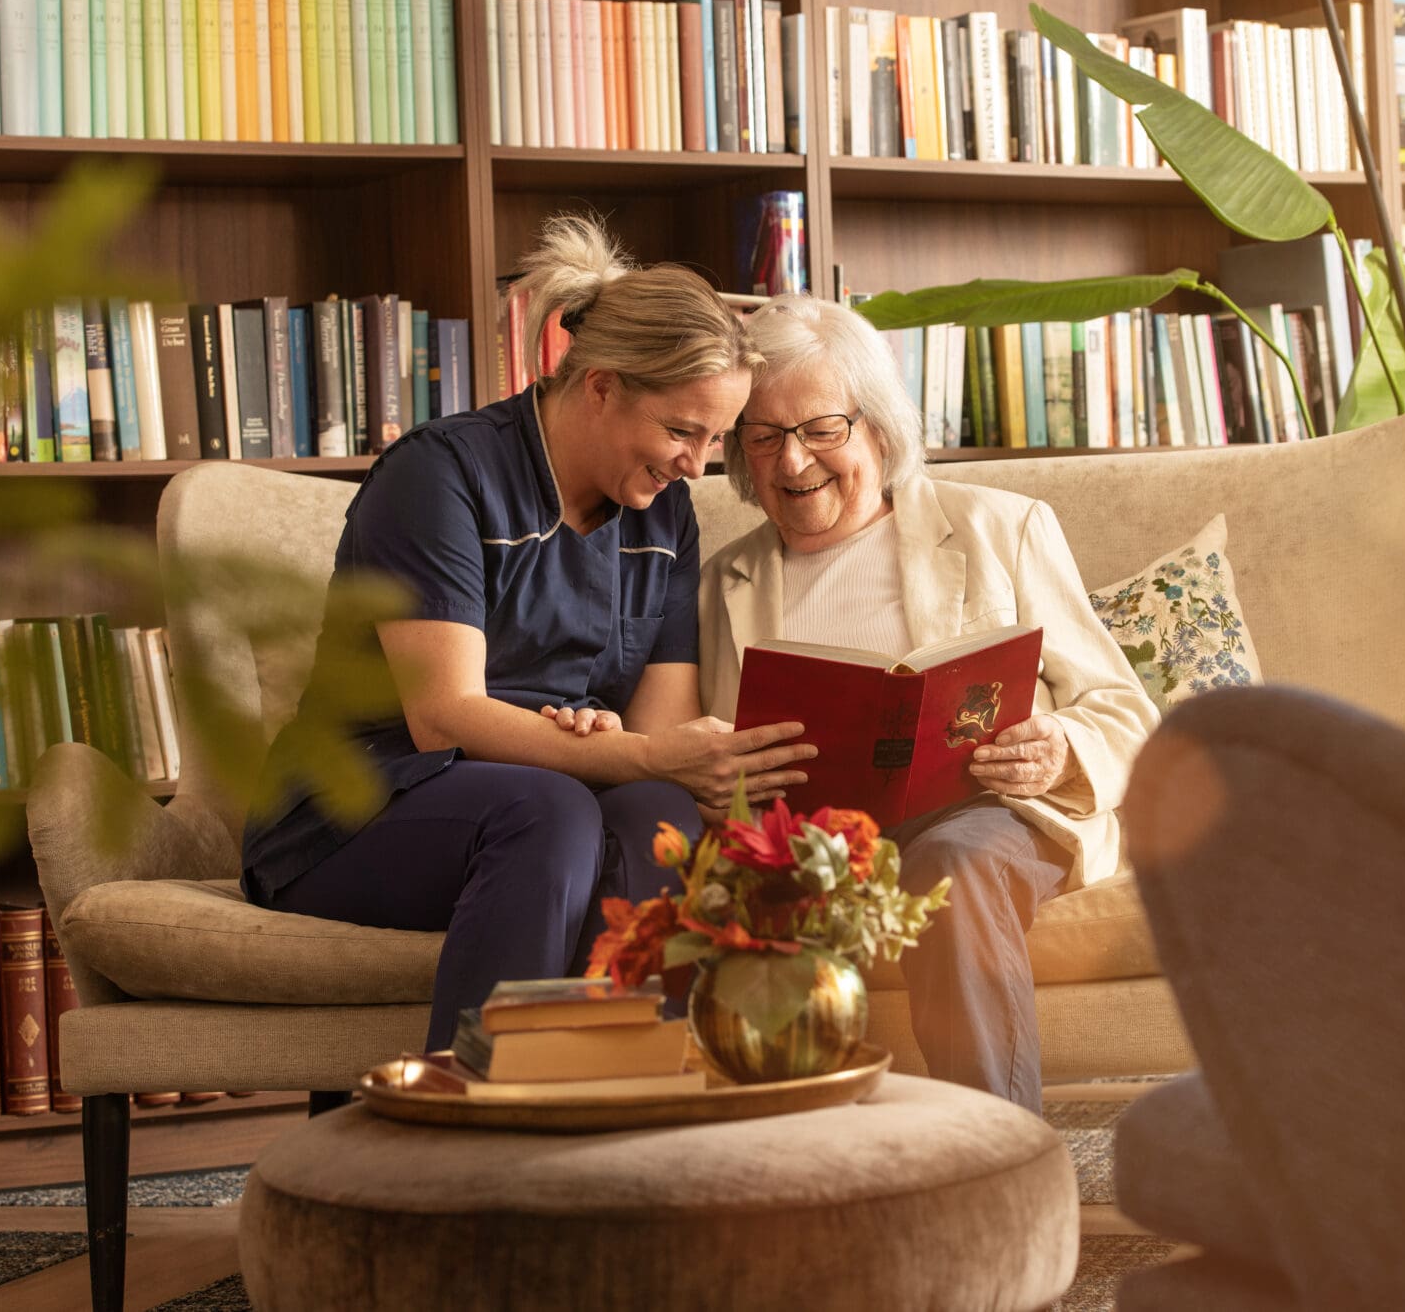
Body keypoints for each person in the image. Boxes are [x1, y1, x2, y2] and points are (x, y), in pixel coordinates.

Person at [242, 217, 817, 1051]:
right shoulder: (441, 476)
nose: (698, 463)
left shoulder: (665, 516)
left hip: (544, 801)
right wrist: (629, 755)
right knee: (546, 810)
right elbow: (445, 715)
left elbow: (659, 734)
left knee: (661, 815)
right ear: (601, 387)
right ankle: (475, 1131)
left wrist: (616, 739)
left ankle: (613, 1106)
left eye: (717, 438)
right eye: (683, 431)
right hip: (354, 808)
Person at [698, 295, 1159, 1113]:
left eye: (822, 430)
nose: (793, 462)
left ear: (878, 426)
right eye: (763, 437)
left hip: (987, 814)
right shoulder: (721, 581)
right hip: (815, 835)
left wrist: (1058, 743)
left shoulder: (999, 527)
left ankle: (1000, 1153)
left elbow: (1123, 707)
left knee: (947, 864)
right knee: (744, 892)